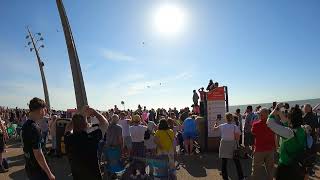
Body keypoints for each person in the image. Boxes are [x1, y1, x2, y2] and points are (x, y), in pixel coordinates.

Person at [64, 105, 108, 180]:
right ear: (86, 125)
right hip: (94, 176)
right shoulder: (91, 138)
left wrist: (80, 114)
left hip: (77, 176)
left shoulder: (68, 138)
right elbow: (105, 124)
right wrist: (95, 112)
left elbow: (67, 128)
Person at [267, 103, 307, 180]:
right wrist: (279, 112)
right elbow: (287, 123)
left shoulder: (288, 133)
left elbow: (269, 122)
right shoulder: (302, 129)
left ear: (290, 119)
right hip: (298, 165)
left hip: (286, 167)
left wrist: (276, 109)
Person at [21, 97, 55, 180]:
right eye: (44, 110)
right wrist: (49, 173)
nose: (45, 112)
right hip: (39, 170)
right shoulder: (35, 129)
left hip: (30, 166)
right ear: (40, 110)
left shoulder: (25, 125)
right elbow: (38, 154)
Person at [213, 113, 244, 180]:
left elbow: (214, 129)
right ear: (232, 118)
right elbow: (237, 138)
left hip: (224, 144)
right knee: (237, 162)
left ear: (226, 118)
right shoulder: (235, 127)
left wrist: (216, 122)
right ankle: (241, 177)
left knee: (224, 162)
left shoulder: (222, 126)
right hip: (232, 144)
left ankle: (225, 178)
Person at [251, 108, 276, 180]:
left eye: (260, 114)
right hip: (270, 149)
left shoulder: (256, 124)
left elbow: (253, 133)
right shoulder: (272, 124)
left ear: (266, 114)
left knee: (256, 169)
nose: (259, 115)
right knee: (270, 169)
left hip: (259, 150)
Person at [129, 115, 148, 179]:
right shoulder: (143, 127)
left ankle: (134, 174)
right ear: (139, 120)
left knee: (134, 159)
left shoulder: (130, 128)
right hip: (141, 144)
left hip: (133, 144)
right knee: (142, 159)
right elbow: (148, 127)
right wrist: (143, 121)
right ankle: (142, 173)